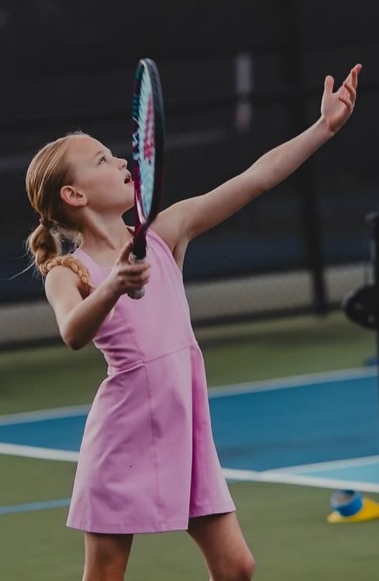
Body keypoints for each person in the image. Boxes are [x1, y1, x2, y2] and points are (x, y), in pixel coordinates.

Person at [25, 63, 361, 581]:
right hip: (124, 434)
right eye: (102, 159)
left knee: (236, 568)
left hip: (187, 427)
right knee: (106, 574)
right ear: (75, 196)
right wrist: (114, 284)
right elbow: (72, 332)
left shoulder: (165, 231)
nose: (123, 160)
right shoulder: (68, 272)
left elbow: (255, 179)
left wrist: (323, 128)